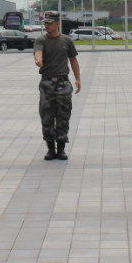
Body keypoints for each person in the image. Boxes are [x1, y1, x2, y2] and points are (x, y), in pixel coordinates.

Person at [34, 11, 82, 160]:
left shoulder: (66, 40)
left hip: (63, 83)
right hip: (47, 83)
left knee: (63, 116)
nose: (47, 25)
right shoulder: (41, 40)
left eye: (50, 23)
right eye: (45, 23)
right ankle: (50, 148)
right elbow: (38, 52)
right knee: (47, 117)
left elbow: (73, 60)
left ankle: (61, 148)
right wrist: (38, 60)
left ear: (57, 24)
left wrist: (78, 79)